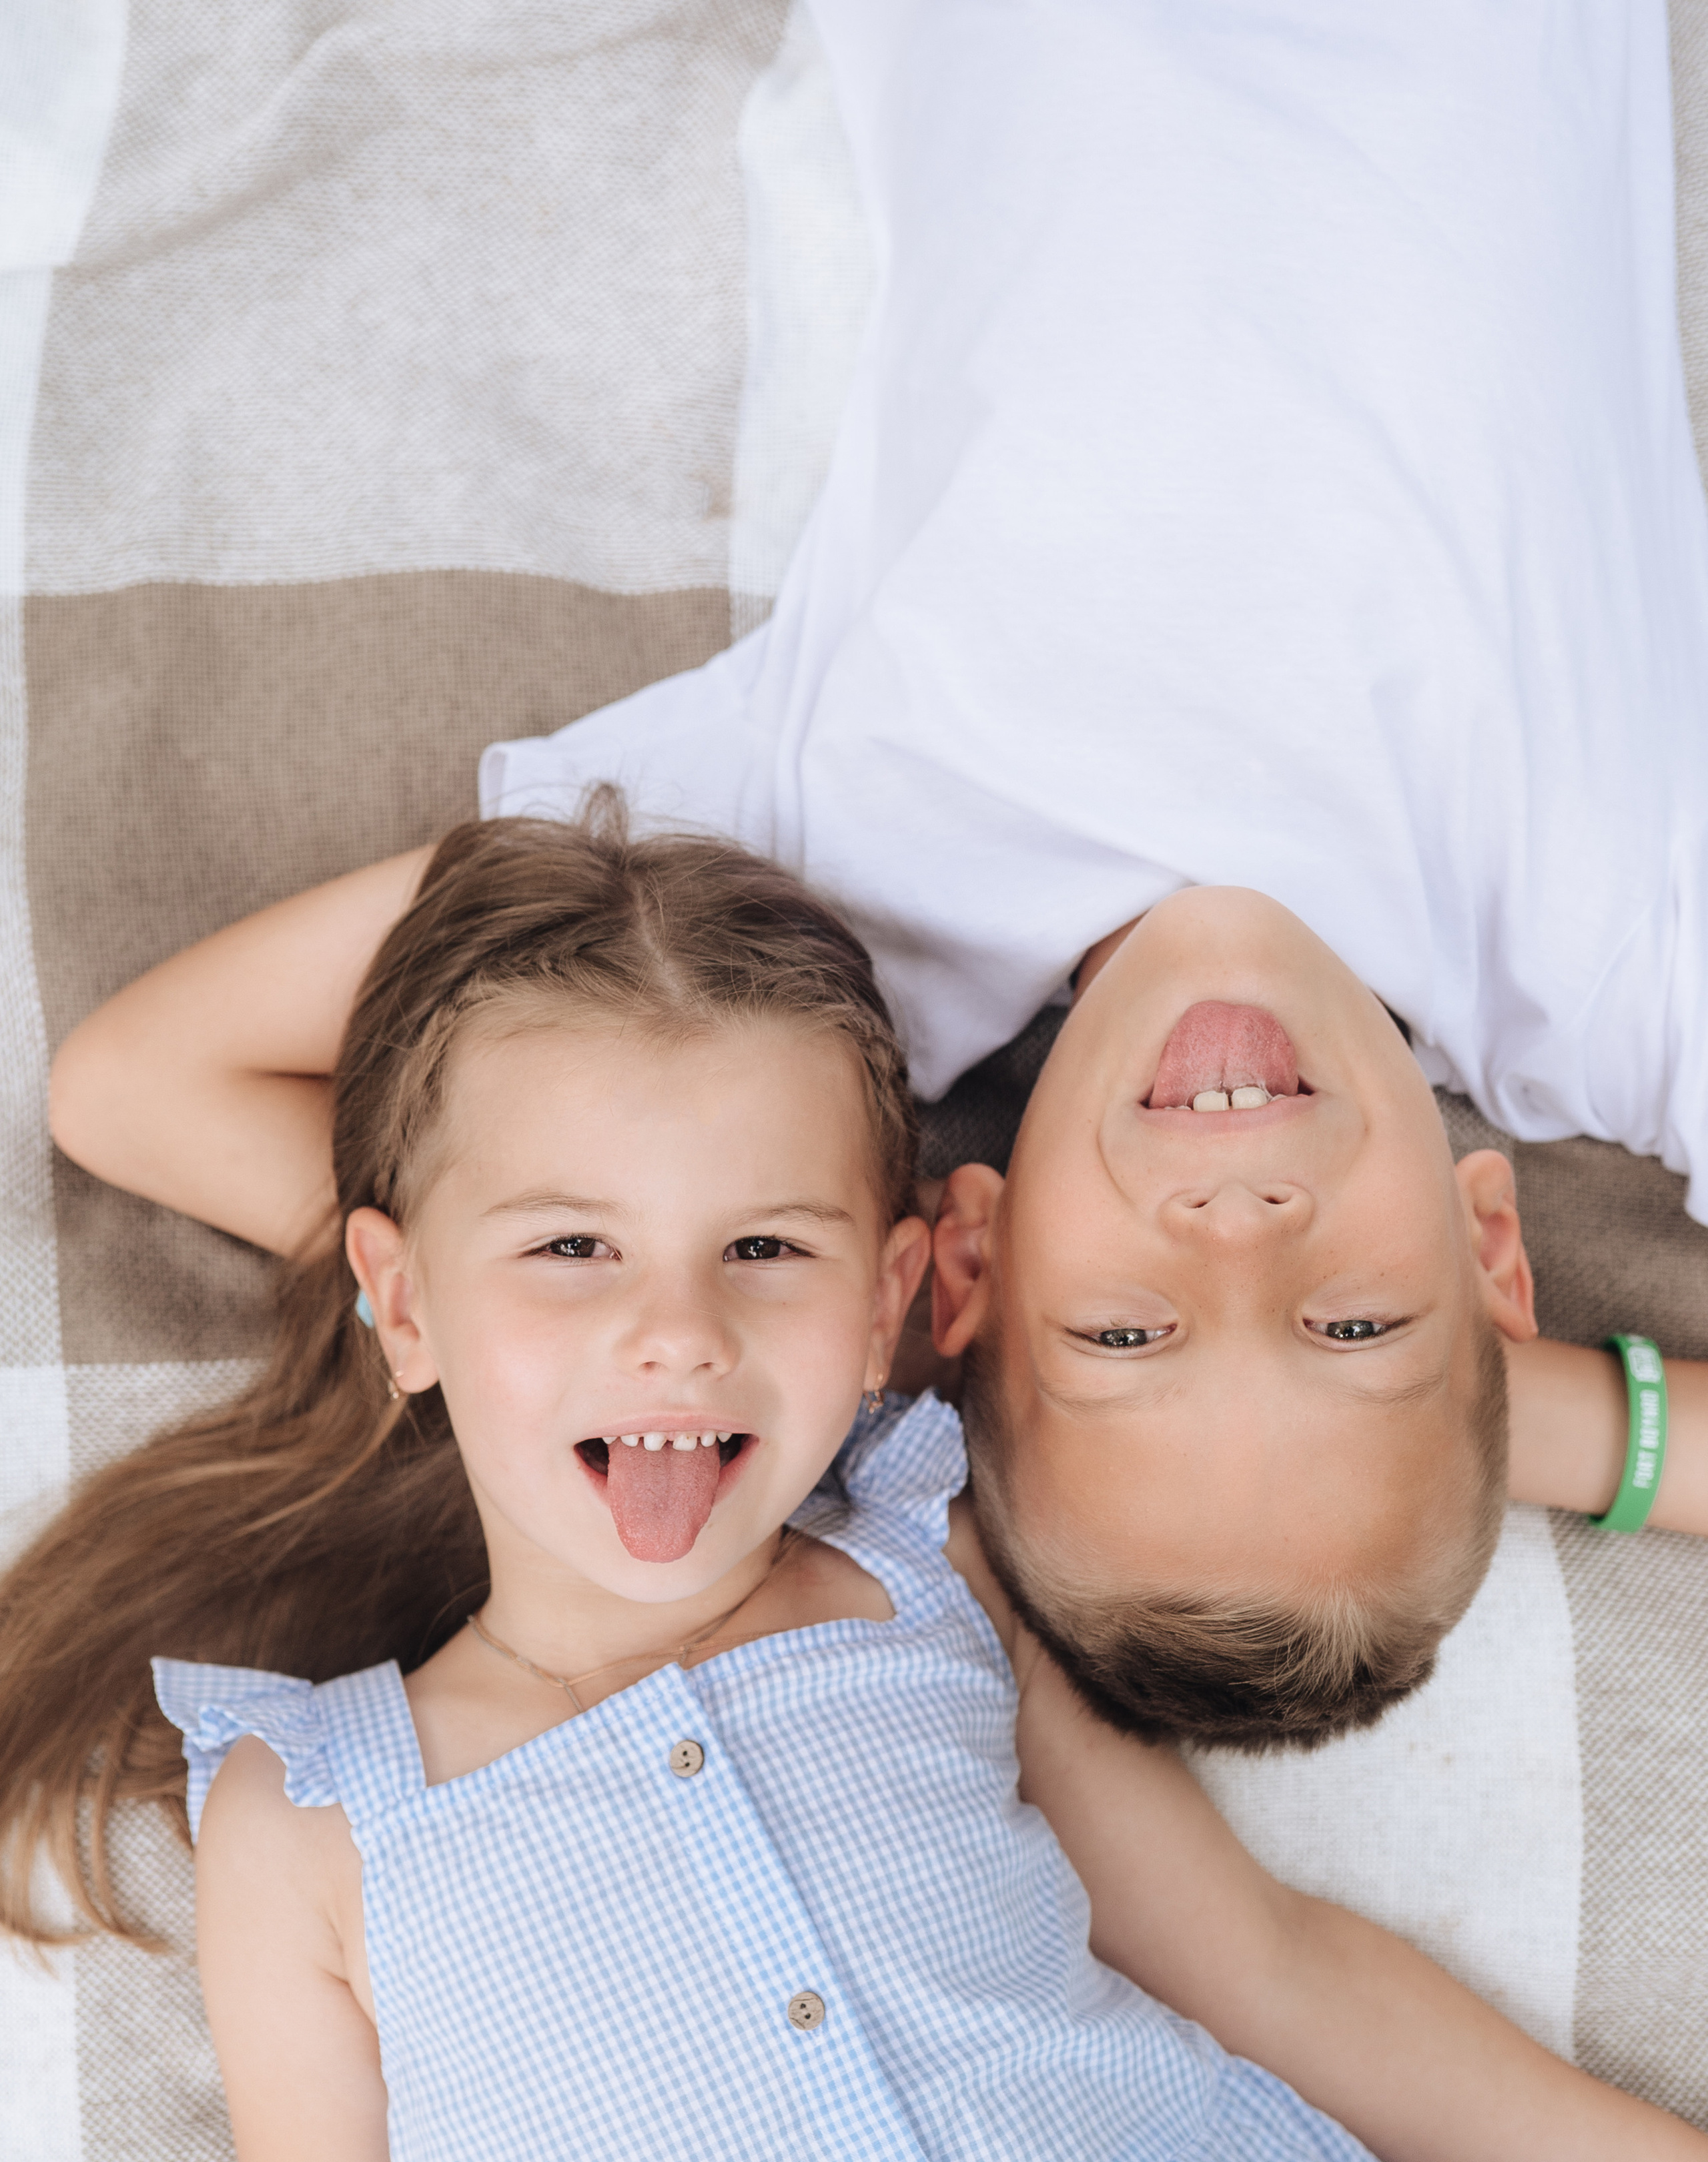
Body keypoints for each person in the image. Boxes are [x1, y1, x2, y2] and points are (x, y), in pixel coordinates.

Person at [24, 802, 1708, 2162]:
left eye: (766, 1248)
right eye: (571, 1248)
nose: (676, 1328)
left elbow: (1265, 1966)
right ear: (406, 1299)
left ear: (905, 1286)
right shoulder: (313, 1820)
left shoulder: (929, 1568)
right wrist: (587, 870)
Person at [46, 0, 1708, 1746]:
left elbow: (143, 1087)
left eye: (1129, 1339)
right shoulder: (1603, 948)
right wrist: (1534, 1418)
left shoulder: (822, 884)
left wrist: (841, 1331)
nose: (1241, 1235)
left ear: (959, 1263)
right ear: (1490, 1248)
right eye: (1354, 1320)